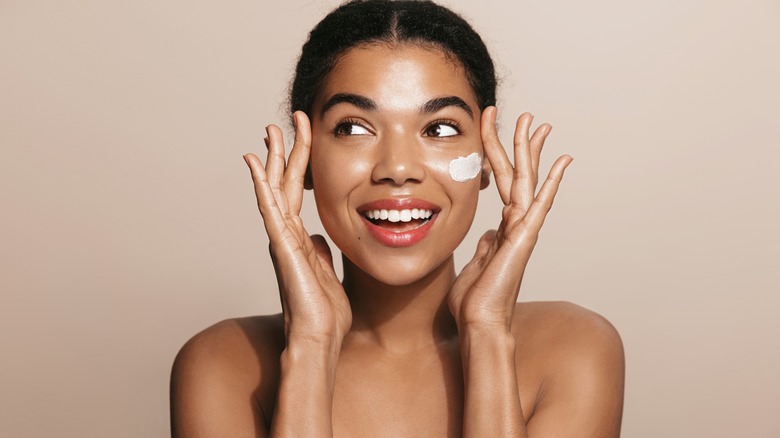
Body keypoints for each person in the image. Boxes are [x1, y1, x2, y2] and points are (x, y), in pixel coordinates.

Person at [170, 0, 625, 436]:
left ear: (487, 159)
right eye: (353, 128)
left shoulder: (575, 350)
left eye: (440, 129)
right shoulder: (223, 365)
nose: (397, 168)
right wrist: (311, 348)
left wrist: (486, 334)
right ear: (303, 161)